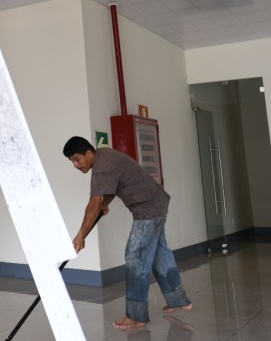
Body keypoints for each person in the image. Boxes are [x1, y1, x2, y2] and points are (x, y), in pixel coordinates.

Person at [63, 136, 192, 330]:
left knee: (135, 258)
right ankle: (178, 299)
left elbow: (93, 203)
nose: (75, 165)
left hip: (147, 210)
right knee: (158, 253)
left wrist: (81, 235)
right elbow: (114, 185)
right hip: (157, 204)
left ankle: (136, 316)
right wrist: (105, 202)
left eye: (77, 159)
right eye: (72, 161)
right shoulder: (105, 155)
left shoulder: (102, 166)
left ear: (89, 153)